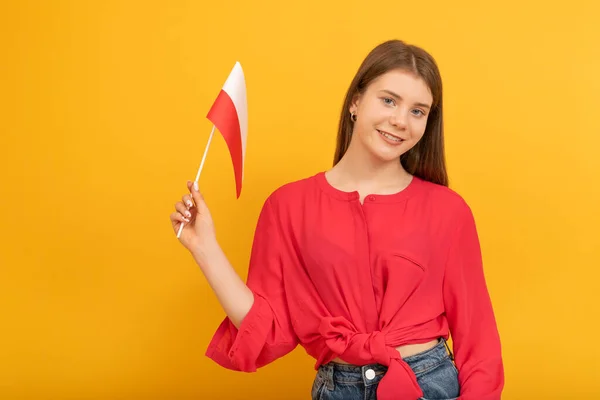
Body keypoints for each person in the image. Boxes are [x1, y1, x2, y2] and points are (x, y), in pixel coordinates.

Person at [170, 39, 504, 400]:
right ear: (355, 102)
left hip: (427, 382)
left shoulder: (448, 211)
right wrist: (204, 248)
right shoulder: (288, 206)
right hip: (338, 388)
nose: (400, 121)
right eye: (389, 100)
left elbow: (478, 340)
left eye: (418, 111)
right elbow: (267, 329)